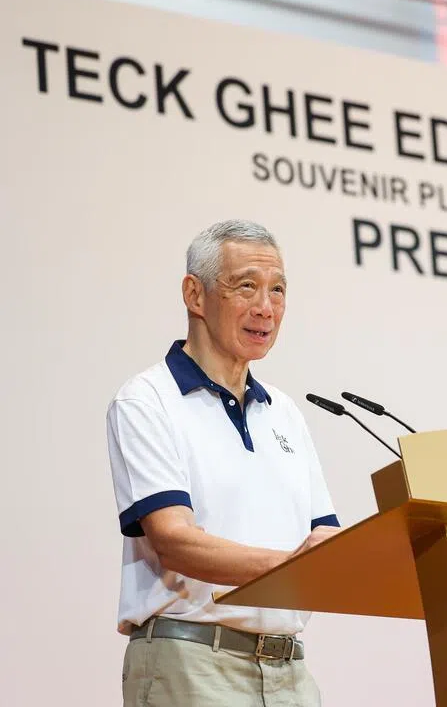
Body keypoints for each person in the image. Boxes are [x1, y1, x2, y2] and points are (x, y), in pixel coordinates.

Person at [106, 220, 340, 706]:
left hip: (289, 671)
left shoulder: (286, 412)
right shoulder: (148, 400)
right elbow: (174, 541)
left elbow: (322, 540)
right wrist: (293, 567)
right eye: (247, 286)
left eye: (278, 290)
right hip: (192, 664)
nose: (266, 307)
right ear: (195, 294)